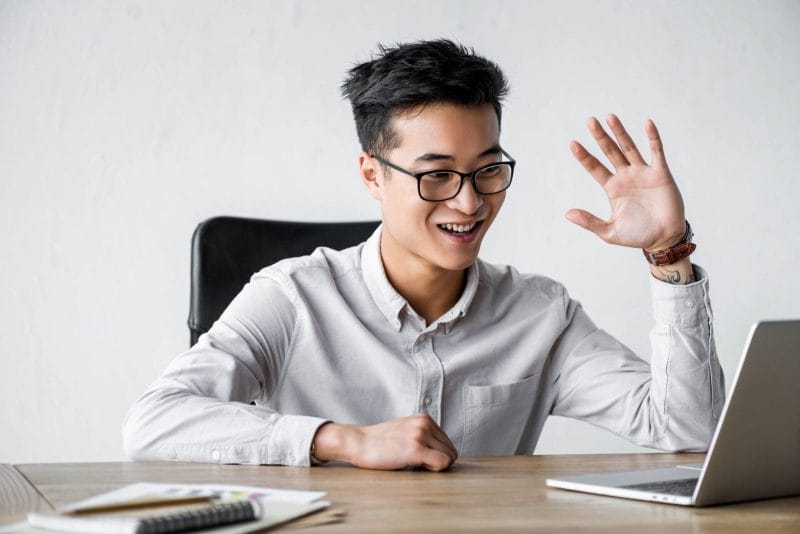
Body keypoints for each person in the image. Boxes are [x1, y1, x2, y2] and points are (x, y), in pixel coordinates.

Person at [123, 39, 724, 472]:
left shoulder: (541, 312)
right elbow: (154, 422)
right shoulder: (292, 297)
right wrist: (343, 441)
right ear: (371, 174)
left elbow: (689, 428)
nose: (469, 202)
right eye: (436, 175)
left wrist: (666, 252)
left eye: (488, 169)